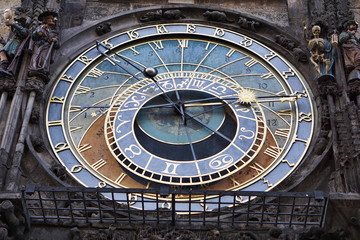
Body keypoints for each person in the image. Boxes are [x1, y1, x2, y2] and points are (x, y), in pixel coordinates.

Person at [28, 11, 59, 79]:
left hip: (47, 47)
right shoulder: (40, 28)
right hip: (39, 45)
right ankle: (34, 67)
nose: (53, 20)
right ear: (46, 20)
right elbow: (34, 37)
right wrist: (41, 31)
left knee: (44, 58)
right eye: (51, 18)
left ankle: (43, 69)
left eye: (53, 19)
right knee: (37, 55)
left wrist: (55, 41)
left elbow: (57, 46)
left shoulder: (54, 32)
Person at [0, 9, 28, 75]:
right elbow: (7, 44)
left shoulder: (24, 30)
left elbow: (24, 32)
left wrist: (14, 24)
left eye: (18, 22)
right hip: (11, 43)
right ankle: (4, 67)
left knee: (4, 54)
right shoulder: (14, 34)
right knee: (3, 53)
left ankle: (5, 67)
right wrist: (2, 41)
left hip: (15, 44)